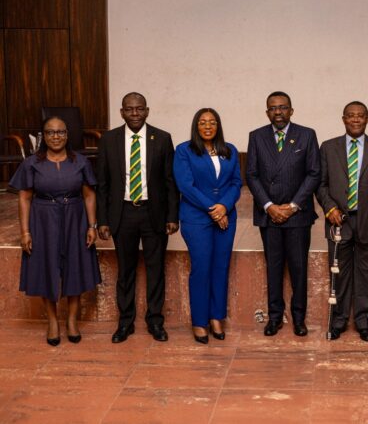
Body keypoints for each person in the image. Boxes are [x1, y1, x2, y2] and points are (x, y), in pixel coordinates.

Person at [96, 92, 179, 343]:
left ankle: (155, 321)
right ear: (121, 112)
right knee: (126, 271)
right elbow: (102, 184)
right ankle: (125, 323)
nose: (135, 114)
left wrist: (172, 215)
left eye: (139, 109)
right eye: (129, 110)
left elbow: (170, 182)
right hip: (122, 213)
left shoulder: (162, 139)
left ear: (147, 111)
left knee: (156, 270)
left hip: (153, 212)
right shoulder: (109, 140)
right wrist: (103, 220)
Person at [11, 116, 101, 346]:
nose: (56, 136)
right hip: (43, 218)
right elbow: (24, 198)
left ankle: (72, 320)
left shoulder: (80, 161)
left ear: (67, 135)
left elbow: (89, 195)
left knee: (76, 267)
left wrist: (92, 226)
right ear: (44, 136)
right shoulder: (31, 163)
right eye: (50, 132)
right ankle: (52, 321)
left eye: (61, 132)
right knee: (46, 268)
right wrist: (25, 232)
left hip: (75, 216)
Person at [246, 91, 320, 337]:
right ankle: (275, 318)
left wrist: (292, 206)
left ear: (291, 110)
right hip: (269, 215)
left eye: (283, 107)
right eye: (273, 108)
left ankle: (299, 319)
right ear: (267, 112)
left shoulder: (306, 135)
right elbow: (252, 175)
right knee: (274, 269)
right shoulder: (257, 137)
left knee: (299, 269)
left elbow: (313, 173)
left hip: (297, 216)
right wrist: (269, 205)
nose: (278, 112)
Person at [316, 101, 368, 342]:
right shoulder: (328, 147)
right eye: (351, 116)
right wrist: (330, 209)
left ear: (367, 119)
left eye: (360, 116)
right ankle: (338, 321)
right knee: (339, 273)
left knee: (367, 275)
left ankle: (363, 322)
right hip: (339, 221)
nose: (356, 120)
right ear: (343, 119)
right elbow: (321, 184)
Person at [174, 108, 242, 344]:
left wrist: (224, 206)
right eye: (202, 122)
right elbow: (186, 185)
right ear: (196, 125)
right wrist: (214, 210)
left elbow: (236, 182)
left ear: (218, 126)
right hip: (197, 218)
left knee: (220, 267)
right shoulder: (184, 150)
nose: (207, 126)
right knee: (201, 268)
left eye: (212, 122)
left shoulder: (229, 150)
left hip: (226, 217)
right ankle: (200, 321)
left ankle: (216, 317)